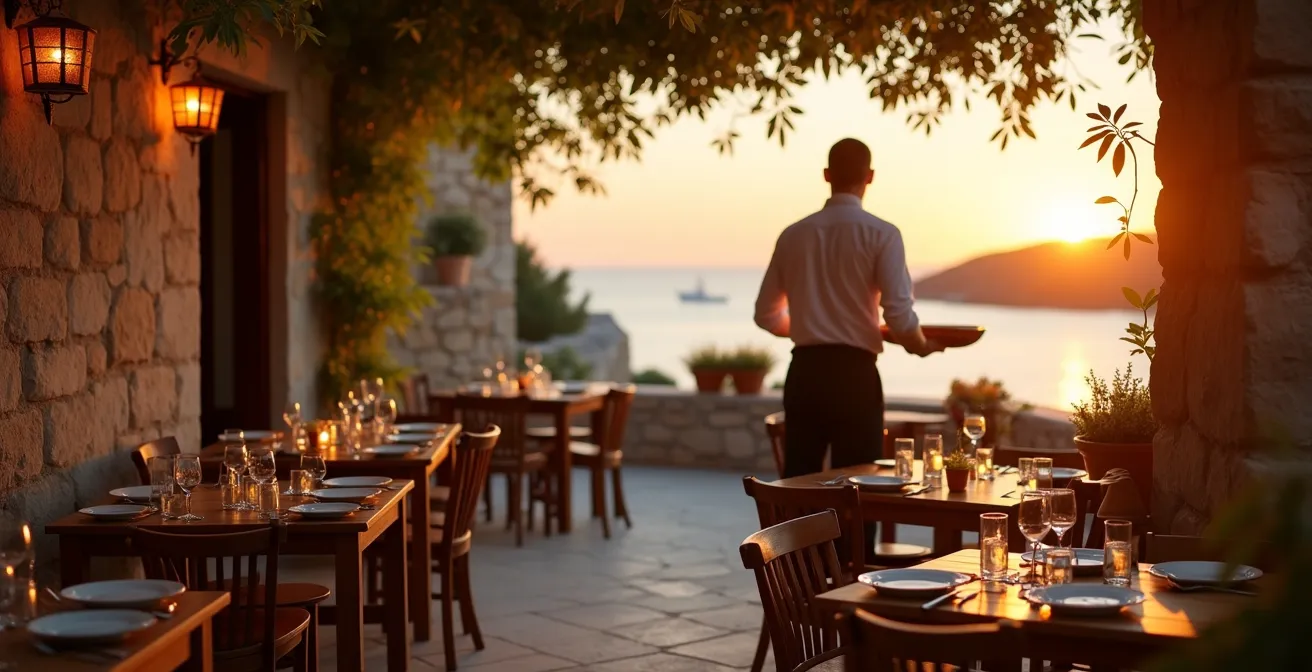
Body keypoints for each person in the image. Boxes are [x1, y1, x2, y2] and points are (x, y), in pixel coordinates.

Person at [754, 138, 944, 478]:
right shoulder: (883, 234)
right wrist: (921, 346)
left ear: (827, 175)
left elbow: (766, 315)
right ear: (870, 176)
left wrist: (806, 326)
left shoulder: (793, 235)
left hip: (805, 374)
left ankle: (796, 534)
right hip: (855, 376)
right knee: (859, 488)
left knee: (799, 485)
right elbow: (899, 316)